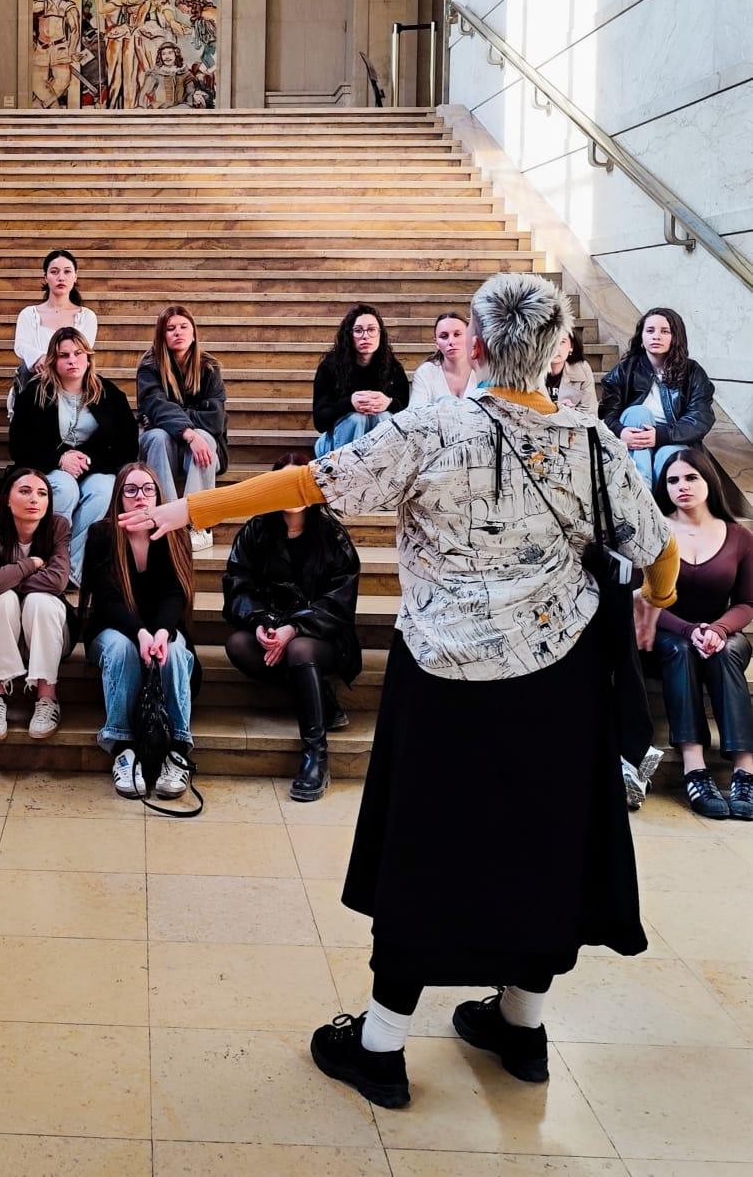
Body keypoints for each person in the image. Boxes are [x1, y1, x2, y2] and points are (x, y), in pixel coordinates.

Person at [123, 273, 679, 1110]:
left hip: (447, 678)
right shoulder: (594, 443)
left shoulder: (431, 427)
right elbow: (661, 553)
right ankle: (521, 1027)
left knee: (429, 846)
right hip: (559, 687)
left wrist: (187, 512)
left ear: (481, 347)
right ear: (557, 351)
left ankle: (381, 1044)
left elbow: (311, 482)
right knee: (544, 844)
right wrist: (658, 603)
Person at [223, 452, 361, 802]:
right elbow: (238, 583)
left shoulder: (332, 535)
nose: (293, 492)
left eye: (300, 483)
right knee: (238, 645)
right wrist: (260, 621)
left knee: (299, 650)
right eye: (284, 484)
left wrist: (294, 629)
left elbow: (338, 603)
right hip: (275, 628)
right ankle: (323, 701)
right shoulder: (257, 530)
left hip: (325, 638)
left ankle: (316, 755)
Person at [641, 447, 753, 821]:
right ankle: (695, 769)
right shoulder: (655, 530)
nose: (682, 486)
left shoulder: (739, 536)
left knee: (727, 649)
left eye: (691, 477)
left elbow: (748, 603)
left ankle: (745, 772)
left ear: (710, 481)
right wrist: (691, 631)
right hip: (664, 635)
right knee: (680, 649)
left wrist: (719, 630)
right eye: (672, 480)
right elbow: (643, 599)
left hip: (720, 636)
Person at [83, 462, 198, 799]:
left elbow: (177, 593)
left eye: (148, 489)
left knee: (175, 650)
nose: (140, 497)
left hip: (162, 629)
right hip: (112, 629)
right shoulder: (101, 534)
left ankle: (177, 748)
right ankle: (122, 746)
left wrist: (160, 632)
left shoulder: (174, 532)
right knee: (122, 648)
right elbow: (105, 599)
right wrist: (140, 634)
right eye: (130, 490)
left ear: (158, 495)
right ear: (119, 497)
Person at [9, 328, 138, 586]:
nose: (72, 360)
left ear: (88, 358)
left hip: (96, 467)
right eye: (64, 355)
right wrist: (60, 459)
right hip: (48, 465)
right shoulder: (34, 394)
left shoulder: (109, 394)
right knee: (65, 489)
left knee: (105, 490)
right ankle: (48, 559)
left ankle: (71, 572)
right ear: (53, 361)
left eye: (78, 354)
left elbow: (127, 446)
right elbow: (20, 444)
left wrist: (86, 461)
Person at [0, 466, 73, 743]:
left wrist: (6, 578)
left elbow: (58, 581)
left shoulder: (58, 527)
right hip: (3, 629)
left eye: (42, 493)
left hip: (46, 628)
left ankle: (47, 697)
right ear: (7, 499)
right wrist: (29, 564)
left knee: (40, 601)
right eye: (25, 491)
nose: (34, 499)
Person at [135, 303, 227, 552]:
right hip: (163, 452)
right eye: (171, 328)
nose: (178, 332)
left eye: (184, 327)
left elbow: (215, 418)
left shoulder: (209, 367)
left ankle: (199, 524)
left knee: (206, 438)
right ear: (161, 335)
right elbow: (154, 405)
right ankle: (165, 519)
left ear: (194, 332)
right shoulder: (149, 367)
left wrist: (182, 423)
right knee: (155, 435)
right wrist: (188, 431)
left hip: (199, 455)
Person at [600, 306, 715, 484]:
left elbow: (700, 418)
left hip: (672, 438)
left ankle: (651, 503)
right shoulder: (625, 370)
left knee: (667, 455)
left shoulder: (693, 372)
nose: (656, 336)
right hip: (633, 435)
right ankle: (642, 491)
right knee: (638, 412)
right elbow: (607, 414)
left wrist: (660, 435)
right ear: (642, 337)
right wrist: (620, 431)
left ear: (675, 337)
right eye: (650, 330)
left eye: (665, 331)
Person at [312, 304, 409, 456]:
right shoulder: (330, 367)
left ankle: (380, 472)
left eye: (371, 330)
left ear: (380, 334)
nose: (365, 336)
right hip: (335, 444)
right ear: (349, 335)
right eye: (358, 331)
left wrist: (389, 403)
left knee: (384, 417)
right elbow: (320, 421)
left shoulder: (393, 367)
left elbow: (408, 413)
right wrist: (349, 403)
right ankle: (347, 474)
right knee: (357, 419)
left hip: (376, 444)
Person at [11, 250, 99, 403]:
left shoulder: (87, 316)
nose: (61, 277)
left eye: (67, 271)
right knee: (26, 368)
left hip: (71, 379)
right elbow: (21, 346)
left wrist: (51, 360)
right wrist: (39, 357)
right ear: (46, 277)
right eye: (54, 272)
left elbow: (82, 351)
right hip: (35, 380)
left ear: (75, 277)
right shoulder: (29, 314)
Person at [408, 310, 478, 405]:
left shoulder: (483, 370)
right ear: (436, 343)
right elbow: (415, 413)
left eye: (457, 334)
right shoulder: (426, 373)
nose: (451, 341)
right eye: (444, 336)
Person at [546, 325, 598, 415]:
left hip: (571, 427)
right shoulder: (527, 371)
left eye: (562, 342)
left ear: (571, 346)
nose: (555, 348)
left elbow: (590, 413)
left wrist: (571, 412)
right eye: (550, 342)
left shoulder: (582, 369)